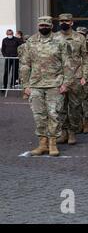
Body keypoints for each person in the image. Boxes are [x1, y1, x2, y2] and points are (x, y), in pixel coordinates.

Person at [21, 16, 73, 157]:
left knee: (54, 114)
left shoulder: (60, 41)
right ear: (38, 26)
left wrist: (66, 83)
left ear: (51, 26)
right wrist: (25, 85)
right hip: (35, 84)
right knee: (39, 115)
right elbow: (25, 64)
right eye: (41, 25)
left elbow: (68, 63)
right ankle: (42, 144)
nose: (43, 27)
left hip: (55, 84)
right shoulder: (31, 41)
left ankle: (53, 144)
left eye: (46, 25)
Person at [55, 15, 88, 145]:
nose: (64, 23)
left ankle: (73, 131)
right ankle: (64, 132)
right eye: (62, 21)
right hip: (59, 77)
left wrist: (85, 75)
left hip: (75, 77)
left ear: (72, 22)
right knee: (60, 107)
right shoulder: (54, 37)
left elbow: (85, 58)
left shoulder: (80, 38)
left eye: (67, 21)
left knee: (74, 107)